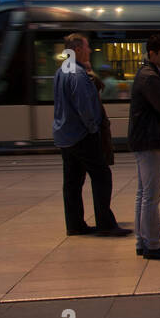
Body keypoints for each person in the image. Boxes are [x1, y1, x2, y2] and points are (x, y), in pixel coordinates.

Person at [53, 33, 129, 237]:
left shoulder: (62, 70)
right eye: (87, 47)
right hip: (82, 135)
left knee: (72, 182)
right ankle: (105, 224)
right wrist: (94, 128)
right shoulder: (77, 74)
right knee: (102, 176)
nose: (89, 51)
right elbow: (84, 107)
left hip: (65, 135)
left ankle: (75, 224)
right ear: (77, 49)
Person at [128, 33, 160, 259]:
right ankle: (152, 245)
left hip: (143, 138)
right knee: (152, 195)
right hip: (151, 139)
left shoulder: (147, 74)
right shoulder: (150, 77)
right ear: (152, 54)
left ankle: (143, 241)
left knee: (143, 194)